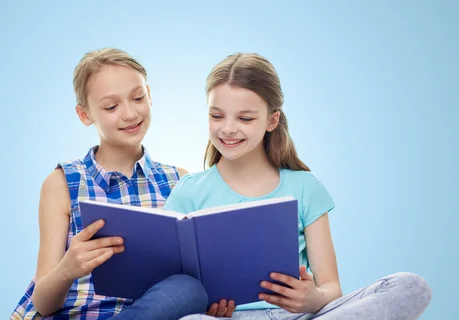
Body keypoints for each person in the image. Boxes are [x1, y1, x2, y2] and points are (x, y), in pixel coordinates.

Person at [165, 53, 432, 320]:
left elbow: (331, 288)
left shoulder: (304, 187)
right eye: (217, 116)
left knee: (410, 285)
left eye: (245, 119)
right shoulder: (188, 191)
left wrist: (314, 298)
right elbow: (168, 290)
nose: (228, 129)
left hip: (297, 316)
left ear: (272, 120)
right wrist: (203, 307)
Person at [10, 48, 208, 320]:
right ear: (84, 115)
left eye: (138, 98)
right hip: (73, 315)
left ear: (149, 95)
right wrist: (68, 268)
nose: (129, 113)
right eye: (111, 107)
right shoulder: (63, 182)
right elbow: (43, 303)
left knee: (190, 289)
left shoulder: (178, 180)